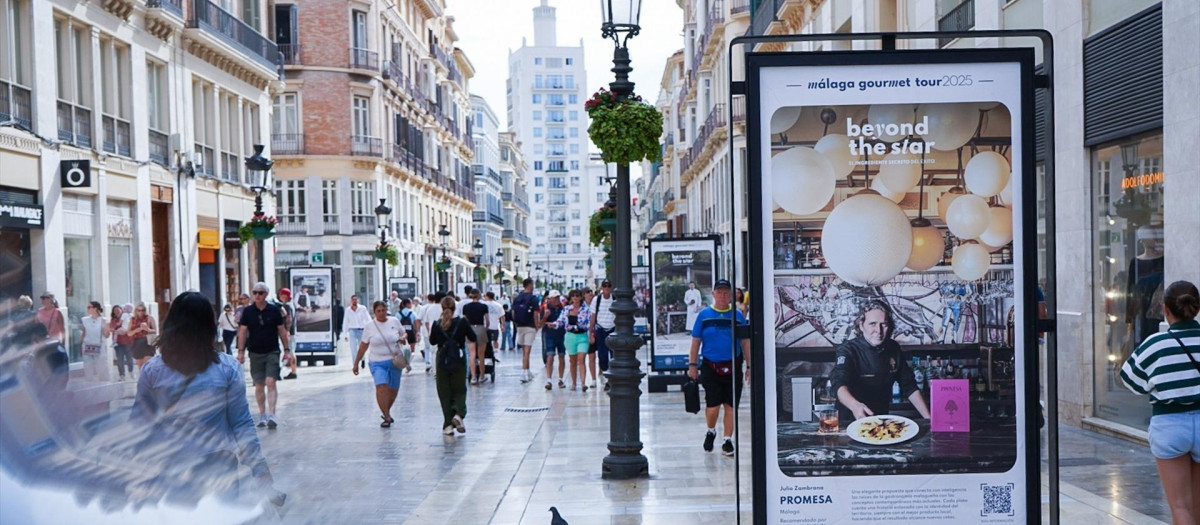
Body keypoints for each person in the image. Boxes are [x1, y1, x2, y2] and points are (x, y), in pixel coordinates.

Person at [132, 291, 282, 507]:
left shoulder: (152, 370)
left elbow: (140, 424)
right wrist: (261, 473)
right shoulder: (227, 368)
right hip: (218, 467)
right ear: (209, 327)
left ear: (171, 325)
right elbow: (241, 424)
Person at [1121, 280, 1200, 525]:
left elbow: (1130, 381)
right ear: (1196, 308)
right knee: (1197, 509)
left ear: (1165, 309)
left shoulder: (1155, 344)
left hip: (1169, 425)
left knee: (1180, 507)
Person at [830, 300, 931, 423]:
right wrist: (854, 405)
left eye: (884, 324)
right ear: (861, 325)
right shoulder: (848, 350)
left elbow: (909, 386)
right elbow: (839, 383)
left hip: (880, 421)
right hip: (848, 422)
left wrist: (929, 420)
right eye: (872, 324)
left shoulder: (893, 348)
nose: (879, 330)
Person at [687, 279, 751, 456]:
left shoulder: (737, 316)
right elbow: (695, 342)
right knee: (713, 406)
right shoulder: (704, 315)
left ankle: (727, 440)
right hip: (710, 366)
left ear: (731, 295)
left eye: (726, 292)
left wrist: (749, 366)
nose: (722, 296)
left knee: (730, 405)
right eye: (719, 292)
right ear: (713, 294)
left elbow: (745, 342)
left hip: (733, 366)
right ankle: (711, 430)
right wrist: (692, 365)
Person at [237, 282, 291, 429]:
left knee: (271, 381)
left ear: (266, 294)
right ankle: (262, 415)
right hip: (255, 352)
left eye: (260, 293)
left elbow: (281, 330)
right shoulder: (248, 312)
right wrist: (240, 351)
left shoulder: (274, 310)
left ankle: (272, 414)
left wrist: (286, 350)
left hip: (272, 350)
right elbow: (242, 331)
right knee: (259, 384)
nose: (257, 296)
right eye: (255, 293)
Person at [352, 300, 407, 428]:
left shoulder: (394, 321)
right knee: (381, 386)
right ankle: (386, 416)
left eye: (383, 310)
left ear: (386, 310)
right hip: (377, 362)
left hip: (395, 361)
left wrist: (403, 338)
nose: (381, 313)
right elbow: (363, 346)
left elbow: (403, 333)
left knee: (393, 390)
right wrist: (356, 363)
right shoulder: (369, 326)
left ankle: (386, 410)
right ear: (374, 312)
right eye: (378, 311)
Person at [428, 296, 477, 436]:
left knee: (444, 392)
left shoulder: (437, 324)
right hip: (458, 358)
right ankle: (458, 414)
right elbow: (473, 337)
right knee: (459, 389)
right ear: (455, 308)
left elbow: (432, 341)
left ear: (442, 307)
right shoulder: (462, 322)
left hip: (442, 360)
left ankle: (448, 425)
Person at [562, 290, 592, 392]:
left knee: (581, 359)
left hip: (582, 336)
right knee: (573, 361)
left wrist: (590, 333)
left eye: (577, 296)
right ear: (571, 298)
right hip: (570, 337)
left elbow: (590, 323)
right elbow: (561, 320)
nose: (575, 298)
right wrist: (554, 324)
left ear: (581, 297)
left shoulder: (586, 310)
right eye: (573, 296)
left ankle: (583, 383)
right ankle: (574, 383)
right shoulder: (566, 309)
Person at [511, 279, 540, 383]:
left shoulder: (517, 298)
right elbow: (535, 314)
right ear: (530, 285)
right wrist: (536, 326)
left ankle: (527, 371)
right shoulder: (533, 298)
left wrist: (516, 324)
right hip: (530, 326)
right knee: (527, 352)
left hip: (520, 326)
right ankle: (524, 373)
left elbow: (513, 312)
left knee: (524, 351)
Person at [589, 280, 616, 391]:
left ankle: (611, 380)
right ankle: (605, 373)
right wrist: (590, 333)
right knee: (602, 356)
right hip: (601, 330)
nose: (606, 288)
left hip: (613, 330)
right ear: (602, 288)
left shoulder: (615, 299)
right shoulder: (597, 300)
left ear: (611, 288)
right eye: (604, 286)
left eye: (608, 286)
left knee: (614, 355)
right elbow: (593, 316)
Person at [461, 290, 490, 385]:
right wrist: (485, 329)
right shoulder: (483, 306)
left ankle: (473, 377)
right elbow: (487, 321)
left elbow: (464, 320)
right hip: (480, 328)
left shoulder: (466, 307)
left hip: (470, 329)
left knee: (472, 354)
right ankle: (482, 375)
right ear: (479, 295)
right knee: (481, 355)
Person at [539, 290, 566, 391]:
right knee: (550, 356)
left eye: (557, 297)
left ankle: (561, 379)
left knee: (562, 356)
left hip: (561, 335)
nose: (556, 300)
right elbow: (540, 324)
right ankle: (549, 380)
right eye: (554, 298)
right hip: (549, 335)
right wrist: (545, 316)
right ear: (550, 299)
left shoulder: (563, 308)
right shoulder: (545, 308)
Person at [80, 301, 110, 380]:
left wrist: (106, 328)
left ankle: (104, 383)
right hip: (87, 345)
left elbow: (106, 335)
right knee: (88, 367)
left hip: (99, 346)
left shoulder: (103, 320)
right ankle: (89, 383)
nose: (87, 309)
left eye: (89, 307)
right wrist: (81, 345)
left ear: (95, 308)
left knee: (102, 366)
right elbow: (83, 333)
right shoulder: (85, 320)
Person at [342, 295, 370, 368]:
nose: (354, 301)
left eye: (356, 299)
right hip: (352, 330)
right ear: (351, 301)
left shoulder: (362, 308)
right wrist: (345, 334)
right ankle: (355, 363)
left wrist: (370, 329)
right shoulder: (348, 310)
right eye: (353, 300)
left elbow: (368, 319)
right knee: (353, 348)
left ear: (358, 300)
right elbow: (346, 322)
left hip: (361, 330)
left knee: (361, 347)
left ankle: (363, 359)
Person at [128, 302, 158, 369]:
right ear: (136, 311)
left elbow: (155, 331)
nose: (141, 312)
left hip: (148, 342)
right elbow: (128, 333)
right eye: (139, 310)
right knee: (140, 366)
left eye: (143, 310)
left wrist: (147, 329)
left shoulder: (150, 318)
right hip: (137, 343)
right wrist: (136, 330)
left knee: (147, 364)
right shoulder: (132, 319)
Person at [277, 288, 298, 380]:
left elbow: (289, 319)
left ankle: (293, 371)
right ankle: (293, 371)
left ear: (285, 295)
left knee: (289, 351)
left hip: (288, 332)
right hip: (291, 332)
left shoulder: (287, 306)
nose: (279, 296)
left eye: (281, 294)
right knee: (291, 351)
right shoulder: (291, 304)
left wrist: (287, 330)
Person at [110, 305, 134, 380]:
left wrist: (125, 331)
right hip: (118, 343)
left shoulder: (128, 316)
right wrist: (115, 329)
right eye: (115, 310)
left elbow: (132, 327)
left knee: (129, 358)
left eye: (118, 309)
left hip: (128, 342)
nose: (116, 311)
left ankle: (131, 371)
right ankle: (122, 375)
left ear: (122, 310)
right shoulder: (113, 319)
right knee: (120, 359)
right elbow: (112, 328)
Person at [396, 298, 416, 372]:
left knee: (402, 349)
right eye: (410, 303)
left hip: (402, 333)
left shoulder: (398, 314)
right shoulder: (412, 313)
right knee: (412, 350)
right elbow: (415, 322)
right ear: (407, 304)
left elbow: (396, 324)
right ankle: (409, 362)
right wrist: (417, 332)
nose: (411, 305)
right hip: (411, 332)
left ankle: (406, 363)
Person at [484, 292, 505, 358]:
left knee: (486, 342)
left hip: (486, 326)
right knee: (495, 341)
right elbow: (502, 316)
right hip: (495, 326)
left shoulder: (484, 304)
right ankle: (496, 355)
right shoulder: (498, 305)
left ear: (487, 296)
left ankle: (487, 355)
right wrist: (502, 325)